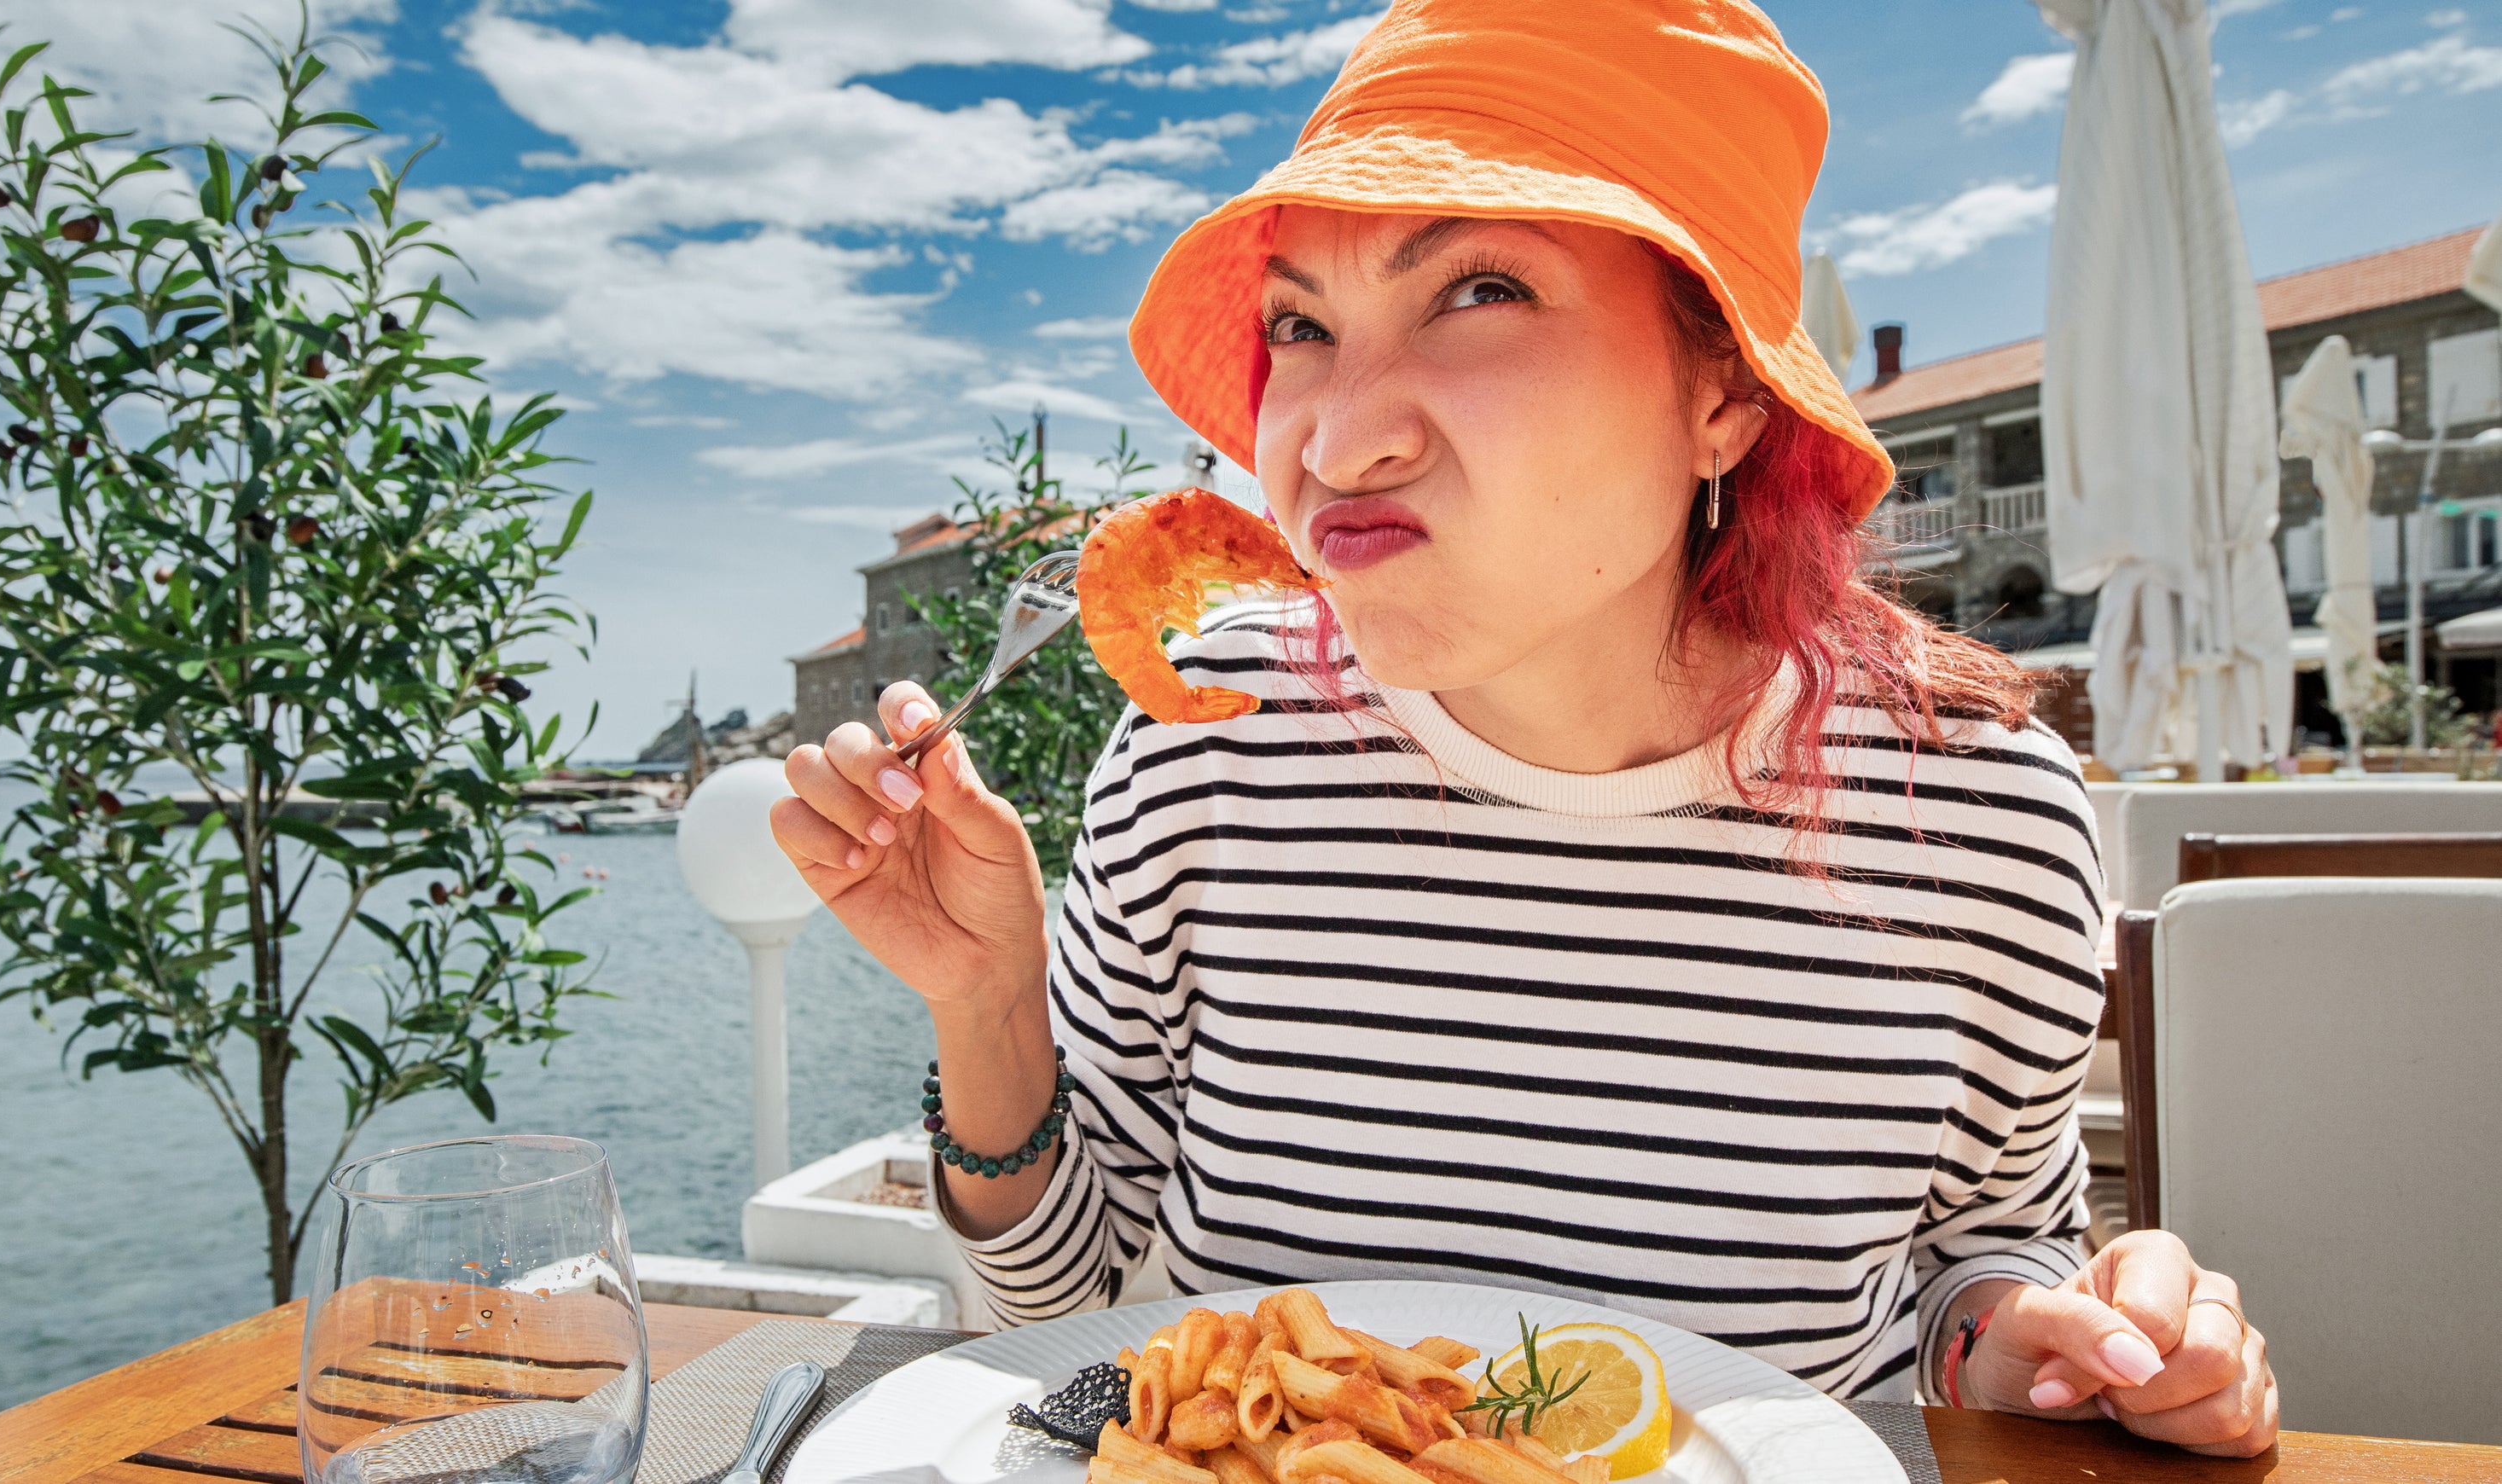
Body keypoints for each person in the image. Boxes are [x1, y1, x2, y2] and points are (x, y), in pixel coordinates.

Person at [771, 0, 2276, 1454]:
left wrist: (2031, 1343)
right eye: (1300, 323)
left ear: (1724, 404)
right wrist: (985, 1007)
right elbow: (1075, 1322)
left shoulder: (1977, 815)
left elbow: (1975, 1259)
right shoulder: (1212, 732)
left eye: (1477, 292)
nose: (1336, 436)